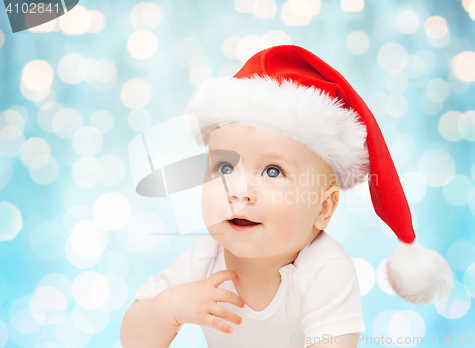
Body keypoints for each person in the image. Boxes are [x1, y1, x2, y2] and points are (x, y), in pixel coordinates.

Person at [120, 45, 454, 348]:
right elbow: (133, 341)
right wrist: (171, 309)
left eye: (272, 171)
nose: (239, 191)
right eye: (224, 168)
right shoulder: (204, 258)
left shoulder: (326, 269)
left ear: (323, 208)